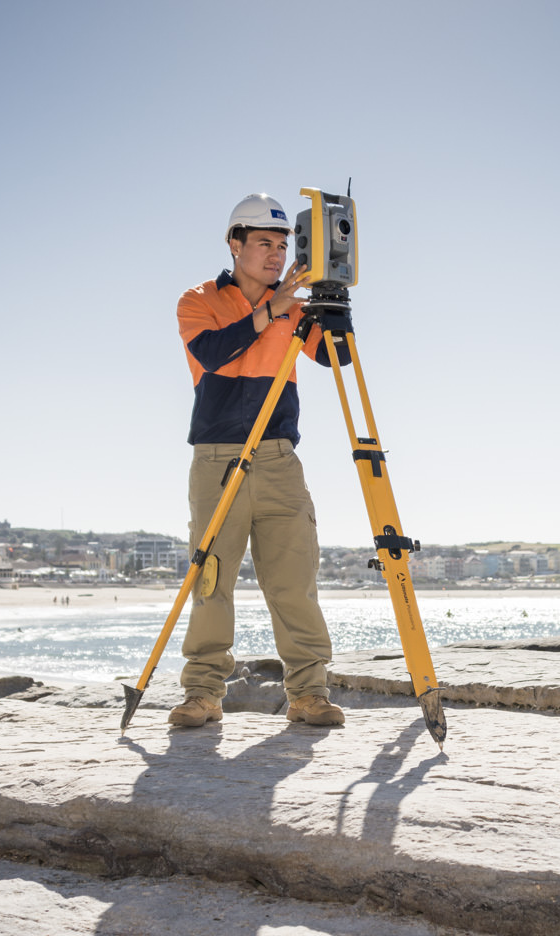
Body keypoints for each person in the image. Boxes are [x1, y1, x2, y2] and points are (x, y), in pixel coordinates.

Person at [168, 192, 349, 729]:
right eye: (264, 243)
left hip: (277, 459)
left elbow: (336, 358)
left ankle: (309, 694)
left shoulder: (296, 305)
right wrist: (273, 309)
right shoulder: (197, 299)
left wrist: (333, 309)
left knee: (294, 581)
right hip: (217, 458)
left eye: (282, 245)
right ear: (235, 243)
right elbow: (211, 353)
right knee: (212, 580)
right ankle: (203, 693)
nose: (276, 254)